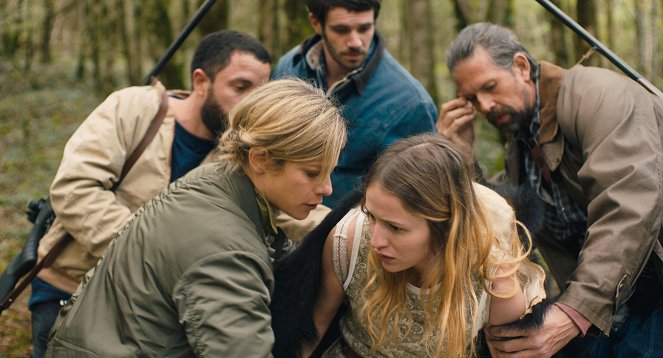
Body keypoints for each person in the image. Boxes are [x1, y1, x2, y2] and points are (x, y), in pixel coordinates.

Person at [44, 78, 347, 356]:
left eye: (329, 171)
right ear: (260, 159)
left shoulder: (215, 182)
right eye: (311, 172)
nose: (326, 187)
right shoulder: (224, 248)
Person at [29, 30, 271, 358]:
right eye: (241, 87)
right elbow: (75, 189)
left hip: (152, 316)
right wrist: (157, 258)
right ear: (201, 81)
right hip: (69, 289)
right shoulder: (134, 108)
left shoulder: (238, 154)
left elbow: (284, 207)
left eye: (261, 92)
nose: (251, 103)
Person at [438, 22, 663, 357]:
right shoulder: (523, 142)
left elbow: (629, 203)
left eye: (490, 87)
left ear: (521, 66)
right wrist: (462, 162)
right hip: (624, 294)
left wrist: (575, 312)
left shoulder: (597, 96)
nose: (484, 106)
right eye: (472, 98)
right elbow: (505, 218)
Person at [271, 133, 547, 357]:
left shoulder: (493, 277)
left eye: (395, 228)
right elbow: (309, 334)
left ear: (445, 227)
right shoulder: (350, 239)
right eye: (371, 216)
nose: (376, 240)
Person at [272, 0, 437, 208]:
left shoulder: (410, 102)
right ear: (316, 22)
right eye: (341, 30)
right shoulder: (289, 67)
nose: (356, 42)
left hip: (351, 232)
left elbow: (416, 200)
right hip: (278, 217)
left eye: (364, 28)